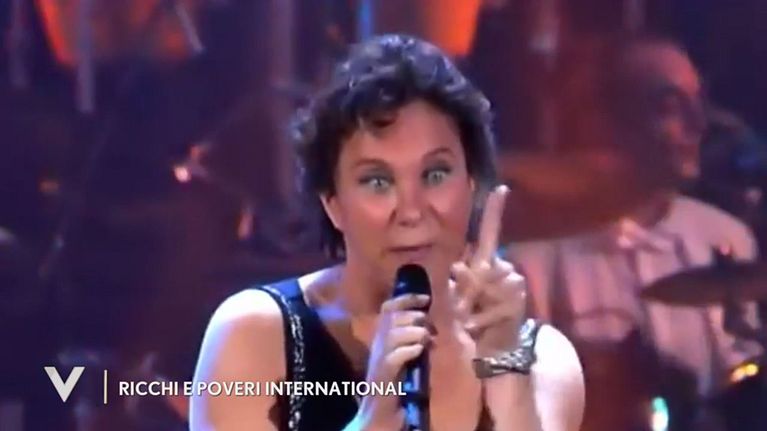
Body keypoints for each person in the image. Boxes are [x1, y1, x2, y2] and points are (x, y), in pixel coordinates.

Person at [189, 34, 584, 430]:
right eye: (377, 181)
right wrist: (369, 421)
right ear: (333, 203)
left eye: (435, 174)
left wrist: (506, 371)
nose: (411, 212)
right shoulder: (255, 335)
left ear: (471, 185)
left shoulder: (544, 360)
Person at [505, 35, 763, 430]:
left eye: (699, 102)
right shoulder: (531, 260)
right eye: (670, 107)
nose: (698, 124)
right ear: (605, 122)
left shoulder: (724, 236)